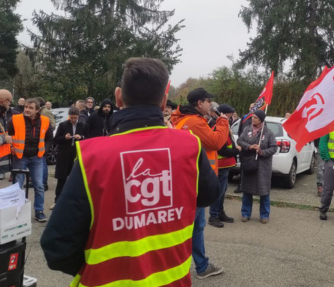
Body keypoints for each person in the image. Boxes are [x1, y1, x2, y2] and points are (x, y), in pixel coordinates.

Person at [41, 58, 220, 286]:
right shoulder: (190, 146)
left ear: (118, 97)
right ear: (164, 100)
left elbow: (57, 246)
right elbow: (208, 195)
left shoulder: (92, 156)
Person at [170, 87, 229, 279]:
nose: (211, 104)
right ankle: (186, 268)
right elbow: (216, 142)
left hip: (191, 181)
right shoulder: (194, 122)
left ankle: (201, 265)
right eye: (207, 101)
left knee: (196, 226)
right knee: (191, 227)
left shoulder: (183, 120)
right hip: (194, 183)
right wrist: (223, 122)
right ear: (199, 103)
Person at [9, 98, 53, 222]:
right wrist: (11, 148)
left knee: (39, 185)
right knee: (18, 185)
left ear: (37, 110)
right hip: (20, 156)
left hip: (37, 157)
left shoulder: (45, 121)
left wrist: (45, 150)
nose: (27, 110)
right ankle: (16, 210)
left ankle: (39, 211)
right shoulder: (14, 119)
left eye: (30, 108)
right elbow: (8, 135)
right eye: (26, 107)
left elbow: (50, 138)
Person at [237, 110, 277, 223]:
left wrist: (261, 152)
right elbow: (239, 141)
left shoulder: (268, 133)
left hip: (263, 167)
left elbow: (274, 148)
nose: (252, 119)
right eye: (252, 117)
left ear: (261, 119)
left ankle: (264, 215)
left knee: (264, 192)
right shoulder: (246, 130)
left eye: (255, 117)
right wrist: (249, 147)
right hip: (249, 164)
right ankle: (245, 213)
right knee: (247, 191)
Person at [50, 106, 89, 210]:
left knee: (76, 180)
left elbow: (89, 138)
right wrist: (64, 137)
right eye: (71, 118)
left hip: (77, 155)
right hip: (64, 155)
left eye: (75, 118)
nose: (73, 120)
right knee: (61, 179)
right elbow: (56, 139)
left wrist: (81, 137)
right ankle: (57, 201)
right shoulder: (63, 125)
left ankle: (75, 202)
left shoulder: (84, 125)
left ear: (78, 117)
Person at [208, 104, 240, 228]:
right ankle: (213, 216)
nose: (231, 118)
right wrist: (237, 150)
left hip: (225, 166)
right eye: (230, 115)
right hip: (220, 166)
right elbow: (221, 149)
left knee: (222, 192)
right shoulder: (218, 128)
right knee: (218, 192)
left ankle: (220, 213)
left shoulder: (225, 128)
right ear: (225, 115)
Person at [235, 103, 255, 194]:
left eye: (254, 108)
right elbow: (239, 131)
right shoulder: (244, 117)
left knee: (253, 167)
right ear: (249, 108)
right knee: (243, 167)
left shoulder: (260, 119)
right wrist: (241, 143)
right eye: (251, 108)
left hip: (253, 148)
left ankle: (252, 186)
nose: (252, 109)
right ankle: (241, 185)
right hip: (243, 147)